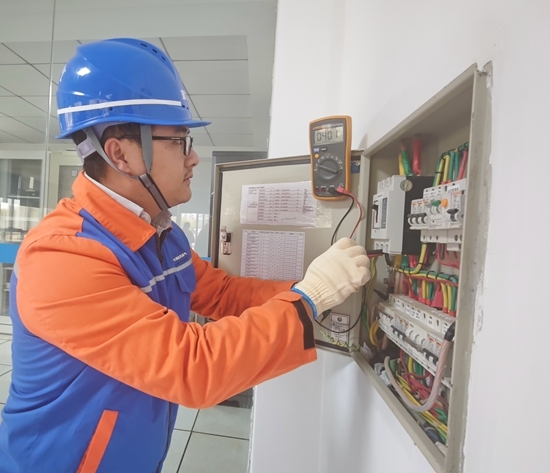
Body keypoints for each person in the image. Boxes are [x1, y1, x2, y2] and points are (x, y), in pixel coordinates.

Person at [0, 38, 370, 472]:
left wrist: (318, 290)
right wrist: (311, 298)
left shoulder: (162, 233)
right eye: (179, 141)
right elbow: (192, 368)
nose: (194, 158)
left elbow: (222, 293)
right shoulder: (62, 257)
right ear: (121, 153)